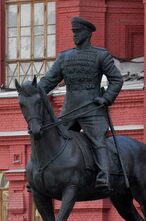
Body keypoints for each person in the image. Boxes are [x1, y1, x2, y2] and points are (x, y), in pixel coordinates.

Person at [38, 16, 123, 191]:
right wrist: (32, 92)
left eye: (78, 32)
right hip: (70, 109)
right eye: (73, 32)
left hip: (92, 109)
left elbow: (116, 79)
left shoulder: (101, 55)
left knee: (98, 141)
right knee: (51, 138)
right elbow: (48, 81)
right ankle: (40, 174)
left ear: (88, 33)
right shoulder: (65, 57)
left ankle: (103, 176)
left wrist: (106, 98)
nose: (75, 35)